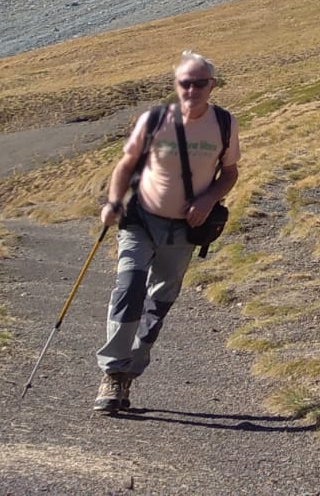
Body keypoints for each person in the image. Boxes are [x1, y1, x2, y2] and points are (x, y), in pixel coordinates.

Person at [93, 50, 241, 413]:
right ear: (176, 85)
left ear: (213, 85)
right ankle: (112, 372)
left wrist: (207, 201)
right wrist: (113, 202)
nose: (192, 90)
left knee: (158, 304)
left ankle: (131, 371)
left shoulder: (224, 123)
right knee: (129, 287)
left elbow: (230, 172)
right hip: (140, 219)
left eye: (199, 83)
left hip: (184, 231)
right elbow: (125, 165)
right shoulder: (155, 119)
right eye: (184, 83)